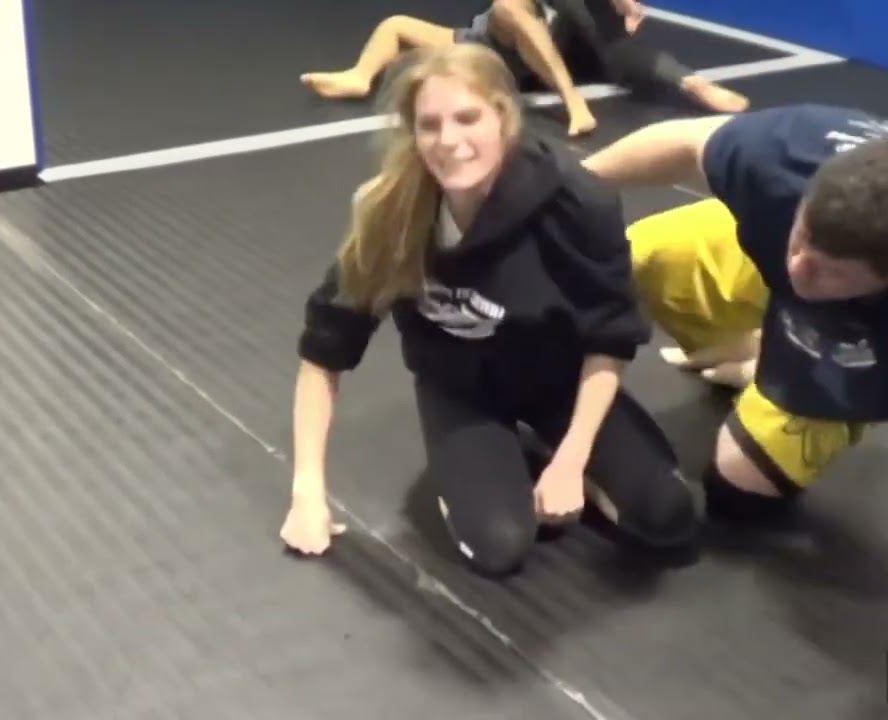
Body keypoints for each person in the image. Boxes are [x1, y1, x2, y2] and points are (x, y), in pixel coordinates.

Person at [581, 104, 888, 679]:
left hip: (869, 351)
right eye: (803, 239)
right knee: (631, 257)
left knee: (740, 489)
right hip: (770, 248)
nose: (800, 268)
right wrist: (565, 187)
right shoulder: (787, 158)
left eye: (830, 268)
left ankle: (783, 365)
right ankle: (756, 339)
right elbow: (687, 141)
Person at [280, 43, 701, 579]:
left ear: (503, 115)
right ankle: (477, 468)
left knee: (668, 519)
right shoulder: (390, 213)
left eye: (467, 118)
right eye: (429, 125)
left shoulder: (577, 201)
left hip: (560, 380)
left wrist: (571, 459)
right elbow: (324, 352)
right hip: (462, 390)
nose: (449, 141)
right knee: (499, 547)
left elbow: (610, 338)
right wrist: (307, 493)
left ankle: (557, 450)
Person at [299, 0, 748, 138]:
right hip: (494, 46)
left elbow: (619, 34)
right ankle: (360, 76)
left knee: (620, 54)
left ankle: (689, 82)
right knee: (397, 24)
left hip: (543, 56)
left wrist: (626, 5)